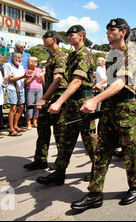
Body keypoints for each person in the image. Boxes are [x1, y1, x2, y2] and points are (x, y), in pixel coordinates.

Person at [72, 18, 136, 211]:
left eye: (112, 29)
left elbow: (122, 82)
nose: (107, 33)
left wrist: (94, 100)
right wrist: (101, 88)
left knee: (129, 150)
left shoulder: (130, 52)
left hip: (125, 108)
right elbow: (112, 81)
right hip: (110, 107)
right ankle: (95, 194)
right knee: (102, 151)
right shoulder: (112, 54)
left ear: (123, 32)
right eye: (107, 30)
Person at [36, 25, 97, 185]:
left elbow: (77, 81)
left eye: (72, 34)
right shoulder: (71, 56)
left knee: (90, 140)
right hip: (71, 103)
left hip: (83, 102)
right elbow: (64, 79)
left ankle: (98, 170)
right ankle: (59, 173)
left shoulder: (85, 55)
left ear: (81, 36)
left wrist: (58, 101)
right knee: (66, 140)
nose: (69, 37)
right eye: (68, 34)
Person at [23, 30, 69, 171]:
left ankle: (60, 164)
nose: (43, 39)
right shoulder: (51, 57)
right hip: (49, 97)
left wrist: (43, 99)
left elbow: (58, 80)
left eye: (46, 37)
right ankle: (40, 159)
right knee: (42, 129)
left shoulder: (60, 56)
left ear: (54, 39)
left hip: (56, 98)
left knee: (59, 132)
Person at [3, 52, 32, 136]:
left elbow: (23, 78)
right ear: (13, 58)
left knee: (21, 108)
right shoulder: (8, 65)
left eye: (20, 58)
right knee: (13, 108)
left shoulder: (21, 67)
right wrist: (23, 76)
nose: (19, 60)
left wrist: (27, 77)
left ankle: (15, 125)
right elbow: (10, 79)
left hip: (21, 88)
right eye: (17, 58)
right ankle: (11, 128)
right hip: (13, 88)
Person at [24, 57, 44, 130]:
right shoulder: (26, 70)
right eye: (35, 61)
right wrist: (32, 78)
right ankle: (28, 123)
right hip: (30, 89)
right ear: (30, 62)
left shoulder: (39, 70)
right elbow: (26, 83)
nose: (36, 62)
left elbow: (41, 81)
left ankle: (35, 122)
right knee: (30, 106)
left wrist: (42, 77)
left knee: (38, 106)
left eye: (37, 61)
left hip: (39, 89)